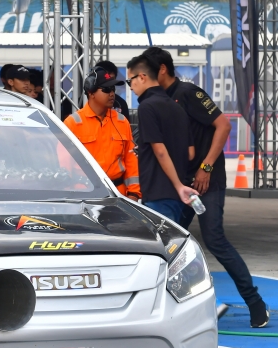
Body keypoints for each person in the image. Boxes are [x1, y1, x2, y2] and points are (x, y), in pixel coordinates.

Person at [145, 46, 270, 328]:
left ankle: (255, 303)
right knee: (167, 244)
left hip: (207, 181)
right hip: (181, 185)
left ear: (161, 70)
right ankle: (170, 307)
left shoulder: (188, 93)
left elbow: (223, 126)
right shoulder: (158, 100)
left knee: (214, 239)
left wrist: (206, 167)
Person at [126, 54, 197, 222]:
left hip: (158, 193)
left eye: (130, 81)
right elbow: (190, 153)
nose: (130, 87)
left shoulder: (147, 107)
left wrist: (178, 186)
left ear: (142, 77)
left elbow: (160, 151)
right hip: (176, 196)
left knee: (160, 238)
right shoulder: (177, 107)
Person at [62, 66, 141, 201]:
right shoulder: (73, 123)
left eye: (113, 89)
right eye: (106, 89)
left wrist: (134, 193)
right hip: (84, 196)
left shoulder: (122, 121)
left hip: (118, 195)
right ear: (91, 92)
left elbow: (131, 160)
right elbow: (64, 164)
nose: (112, 94)